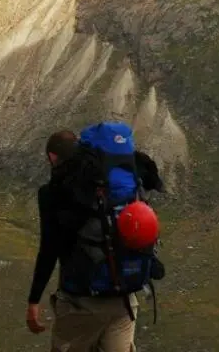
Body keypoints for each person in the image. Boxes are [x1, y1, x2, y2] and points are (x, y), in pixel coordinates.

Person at [26, 126, 164, 351]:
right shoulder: (116, 184)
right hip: (124, 300)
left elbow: (49, 250)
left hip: (82, 303)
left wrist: (34, 300)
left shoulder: (54, 192)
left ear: (52, 157)